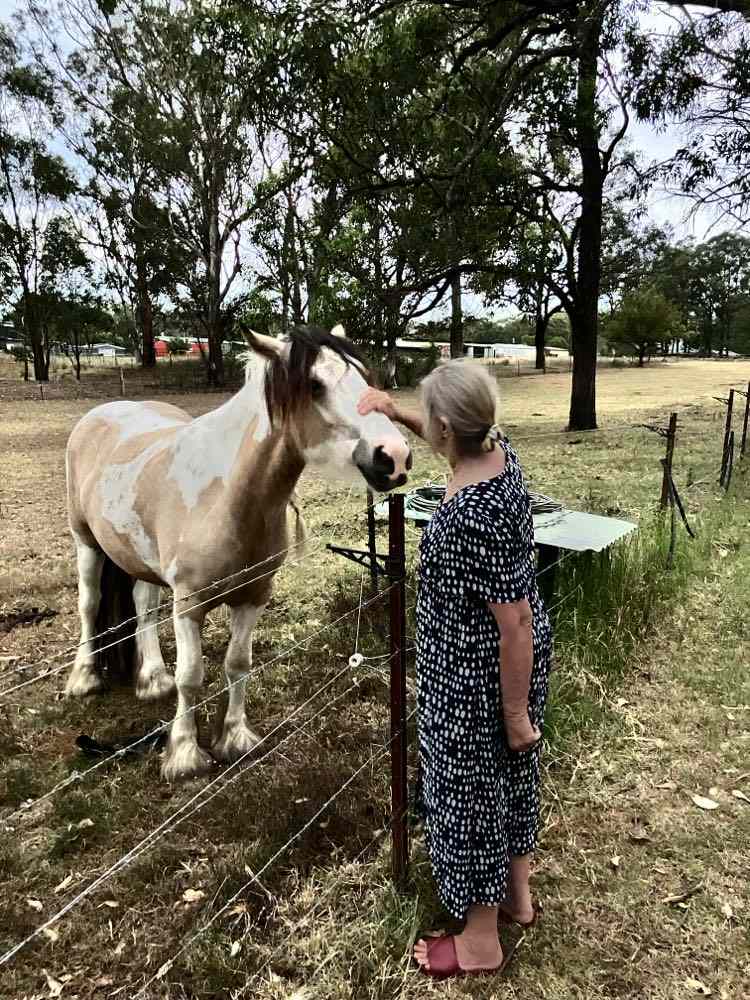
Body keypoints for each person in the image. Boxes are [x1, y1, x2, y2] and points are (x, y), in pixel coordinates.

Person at [358, 359, 553, 980]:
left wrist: (514, 713)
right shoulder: (498, 451)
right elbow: (449, 434)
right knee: (510, 778)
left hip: (477, 674)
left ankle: (478, 939)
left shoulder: (470, 512)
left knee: (469, 798)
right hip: (504, 662)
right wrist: (394, 411)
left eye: (429, 419)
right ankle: (517, 899)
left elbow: (512, 620)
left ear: (446, 428)